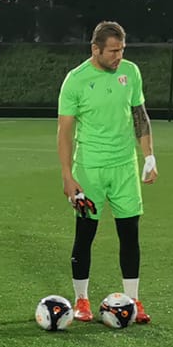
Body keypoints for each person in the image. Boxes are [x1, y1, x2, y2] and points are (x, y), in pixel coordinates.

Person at [57, 21, 156, 322]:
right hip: (89, 172)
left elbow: (139, 114)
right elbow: (63, 132)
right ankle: (82, 300)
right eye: (113, 51)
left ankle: (135, 301)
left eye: (122, 50)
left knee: (130, 235)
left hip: (125, 169)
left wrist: (149, 156)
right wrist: (67, 175)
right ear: (95, 49)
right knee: (85, 235)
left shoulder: (131, 72)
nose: (118, 56)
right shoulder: (75, 80)